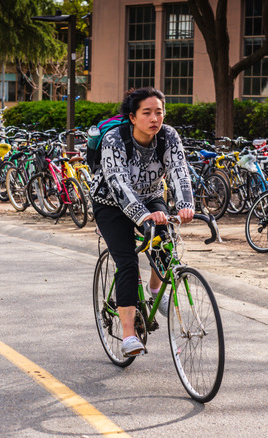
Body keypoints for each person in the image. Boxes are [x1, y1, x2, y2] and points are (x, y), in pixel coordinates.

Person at [90, 87, 195, 357]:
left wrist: (184, 205)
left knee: (164, 243)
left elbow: (179, 170)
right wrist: (141, 216)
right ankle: (128, 336)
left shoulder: (169, 136)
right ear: (133, 117)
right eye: (146, 113)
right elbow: (117, 182)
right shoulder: (115, 139)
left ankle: (154, 287)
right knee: (127, 262)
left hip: (150, 196)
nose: (154, 118)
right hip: (110, 202)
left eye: (158, 112)